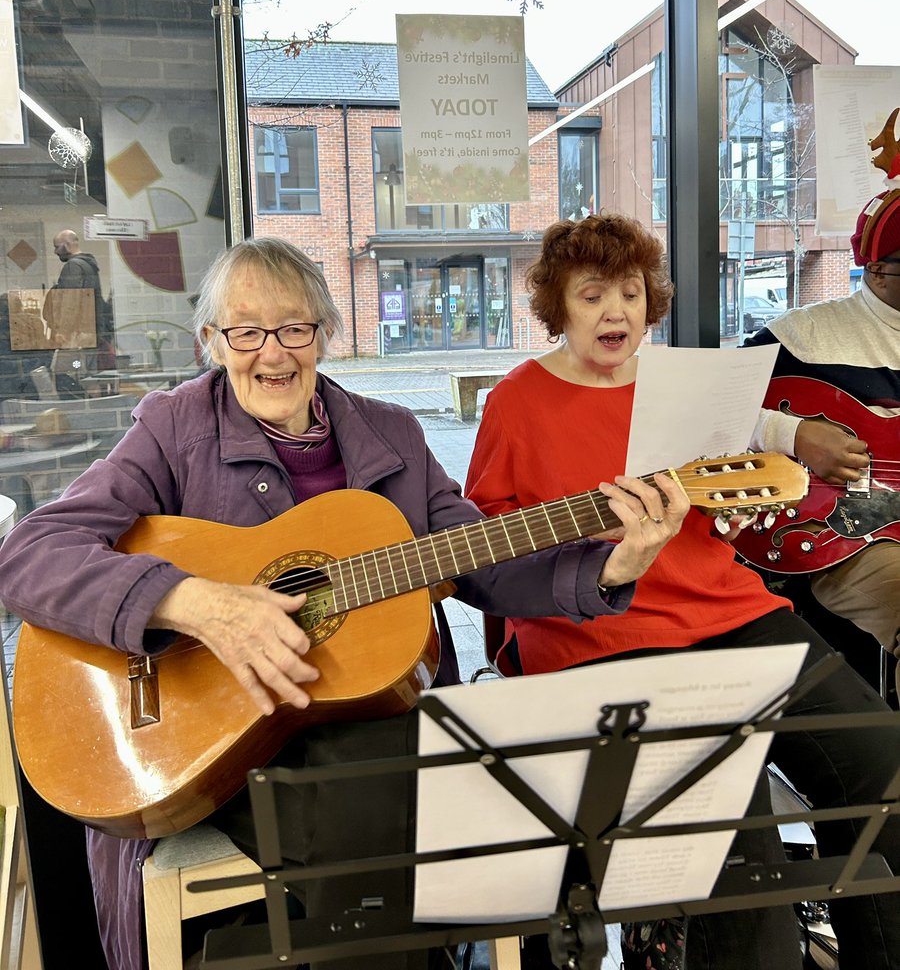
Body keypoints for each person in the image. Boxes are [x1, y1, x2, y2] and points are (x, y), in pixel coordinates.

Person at [0, 236, 688, 970]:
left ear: (325, 334)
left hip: (377, 719)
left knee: (453, 776)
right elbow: (29, 554)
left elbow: (483, 560)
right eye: (246, 331)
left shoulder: (390, 431)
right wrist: (193, 603)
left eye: (295, 328)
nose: (273, 353)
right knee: (378, 800)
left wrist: (614, 562)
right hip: (230, 736)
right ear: (212, 342)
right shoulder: (173, 429)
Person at [464, 212, 900, 970]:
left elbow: (756, 437)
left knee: (882, 766)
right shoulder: (515, 403)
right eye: (592, 294)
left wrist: (767, 470)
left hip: (728, 612)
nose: (616, 312)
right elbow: (487, 559)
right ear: (556, 307)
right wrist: (601, 563)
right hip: (595, 640)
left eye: (630, 293)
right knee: (739, 847)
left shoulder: (684, 379)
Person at [745, 186, 900, 701]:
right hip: (848, 539)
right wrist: (794, 434)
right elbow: (709, 410)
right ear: (876, 271)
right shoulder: (801, 336)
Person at [42, 228, 114, 391]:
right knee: (90, 376)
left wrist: (63, 332)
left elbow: (70, 302)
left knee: (74, 377)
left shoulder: (73, 266)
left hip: (78, 336)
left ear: (67, 245)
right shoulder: (90, 266)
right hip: (91, 334)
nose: (55, 252)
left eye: (57, 247)